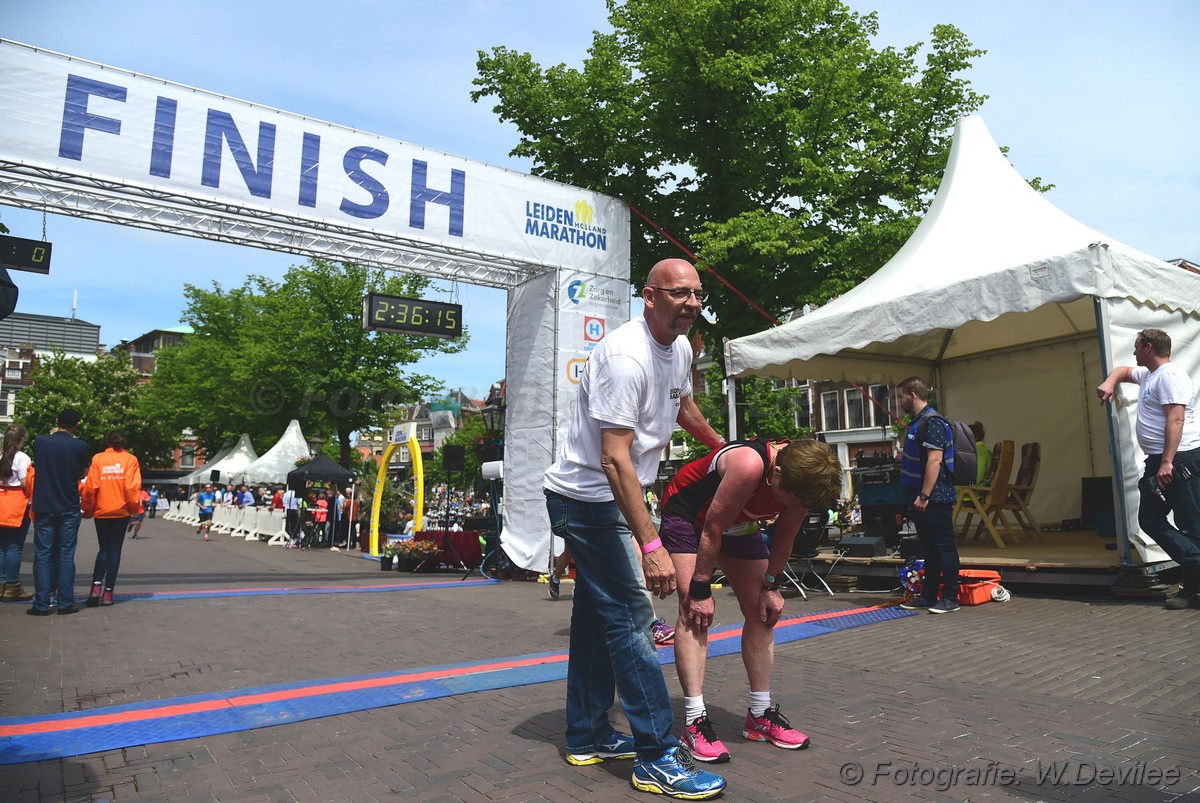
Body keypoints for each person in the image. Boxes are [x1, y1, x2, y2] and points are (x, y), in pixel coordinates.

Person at [542, 258, 727, 799]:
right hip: (590, 500)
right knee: (632, 620)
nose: (691, 303)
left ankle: (588, 732)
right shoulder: (624, 357)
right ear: (649, 296)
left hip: (604, 495)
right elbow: (615, 460)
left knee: (597, 621)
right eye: (678, 294)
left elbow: (684, 407)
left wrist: (726, 452)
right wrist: (652, 546)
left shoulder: (683, 348)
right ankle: (657, 755)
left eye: (696, 293)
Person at [661, 438, 842, 762]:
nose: (794, 506)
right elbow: (712, 529)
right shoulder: (748, 465)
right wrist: (700, 590)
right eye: (790, 499)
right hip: (691, 516)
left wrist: (772, 586)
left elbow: (785, 535)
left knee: (762, 611)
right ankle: (694, 721)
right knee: (695, 612)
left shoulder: (802, 482)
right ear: (776, 474)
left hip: (736, 521)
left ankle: (759, 715)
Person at [1097, 328, 1200, 610]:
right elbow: (1122, 371)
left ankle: (1193, 588)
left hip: (1179, 460)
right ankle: (1194, 565)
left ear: (1149, 347)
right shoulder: (1149, 374)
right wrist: (1109, 382)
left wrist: (1167, 462)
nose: (1133, 351)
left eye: (1136, 346)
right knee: (1150, 519)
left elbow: (1176, 420)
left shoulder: (1169, 376)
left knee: (1191, 524)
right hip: (1159, 460)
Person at [896, 376, 961, 614]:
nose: (899, 401)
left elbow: (935, 459)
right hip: (919, 496)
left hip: (936, 497)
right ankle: (929, 595)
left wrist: (925, 495)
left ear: (913, 395)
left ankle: (951, 598)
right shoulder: (918, 422)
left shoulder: (932, 422)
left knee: (944, 546)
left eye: (901, 396)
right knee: (930, 548)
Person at [28, 408, 90, 616]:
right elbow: (82, 474)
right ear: (77, 424)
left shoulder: (41, 442)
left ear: (57, 421)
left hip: (44, 503)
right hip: (68, 504)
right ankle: (65, 603)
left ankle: (42, 603)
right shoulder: (81, 446)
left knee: (43, 554)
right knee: (66, 554)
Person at [81, 431, 142, 607]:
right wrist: (133, 509)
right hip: (121, 511)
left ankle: (95, 587)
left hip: (102, 510)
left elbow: (91, 486)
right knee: (115, 551)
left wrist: (87, 509)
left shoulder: (98, 459)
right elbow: (131, 488)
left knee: (103, 549)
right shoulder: (130, 460)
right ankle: (108, 592)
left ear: (107, 442)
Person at [0, 425, 34, 602]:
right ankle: (13, 586)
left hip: (1, 503)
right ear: (21, 440)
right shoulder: (22, 458)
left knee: (2, 546)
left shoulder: (1, 456)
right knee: (14, 546)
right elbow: (25, 483)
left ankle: (1, 583)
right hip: (17, 505)